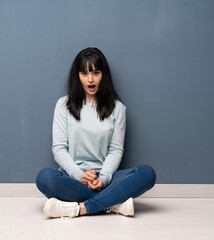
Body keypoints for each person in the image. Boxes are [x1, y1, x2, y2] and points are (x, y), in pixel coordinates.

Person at [36, 47, 156, 218]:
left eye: (96, 73)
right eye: (84, 73)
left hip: (106, 181)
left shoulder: (118, 109)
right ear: (77, 76)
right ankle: (113, 204)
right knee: (44, 177)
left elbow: (115, 150)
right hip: (72, 179)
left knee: (147, 174)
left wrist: (104, 178)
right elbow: (59, 148)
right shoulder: (63, 105)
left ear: (103, 75)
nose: (90, 79)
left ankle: (80, 208)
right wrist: (79, 175)